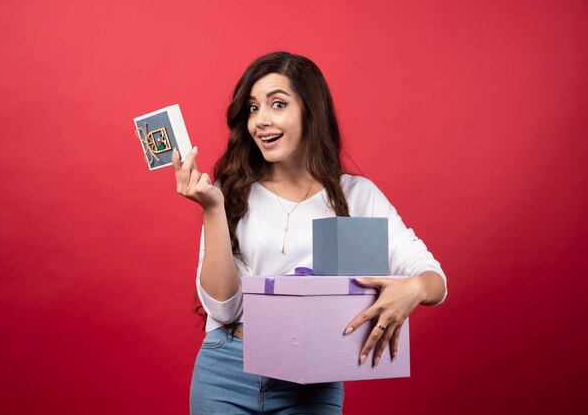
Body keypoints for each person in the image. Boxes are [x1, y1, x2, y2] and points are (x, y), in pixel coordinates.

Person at [172, 51, 447, 415]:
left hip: (310, 381)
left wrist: (413, 289)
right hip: (226, 370)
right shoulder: (230, 192)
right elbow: (223, 307)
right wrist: (212, 209)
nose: (261, 121)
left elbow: (435, 279)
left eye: (278, 104)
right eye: (253, 109)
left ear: (309, 112)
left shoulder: (356, 196)